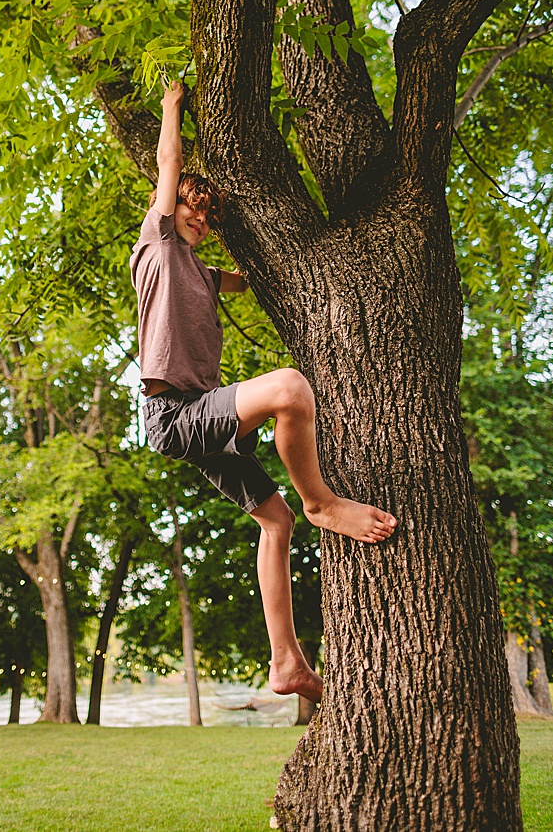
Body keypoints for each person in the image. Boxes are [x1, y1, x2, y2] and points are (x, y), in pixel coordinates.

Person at [131, 80, 397, 704]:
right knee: (289, 389)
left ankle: (287, 663)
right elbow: (169, 165)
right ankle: (322, 502)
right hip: (175, 414)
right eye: (188, 207)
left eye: (205, 214)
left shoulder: (200, 268)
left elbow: (249, 280)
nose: (195, 217)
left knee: (272, 524)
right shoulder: (158, 243)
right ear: (167, 208)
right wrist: (172, 105)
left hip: (202, 420)